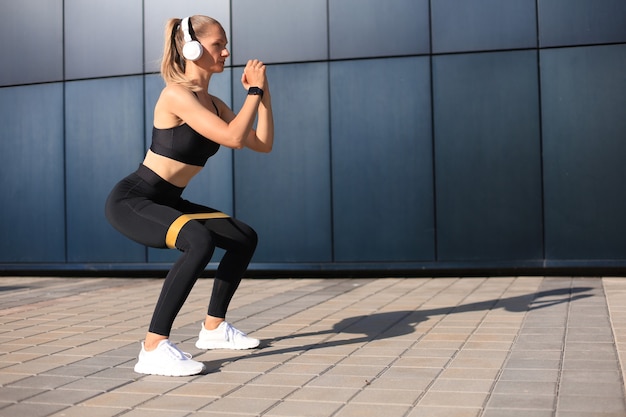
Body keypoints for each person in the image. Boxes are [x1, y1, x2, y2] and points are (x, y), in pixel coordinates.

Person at [105, 15, 273, 377]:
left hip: (169, 201)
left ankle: (213, 329)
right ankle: (153, 347)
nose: (226, 52)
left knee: (244, 237)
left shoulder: (213, 103)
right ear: (193, 49)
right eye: (218, 45)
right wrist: (253, 94)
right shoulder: (175, 95)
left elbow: (261, 143)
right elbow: (232, 138)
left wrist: (264, 97)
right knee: (198, 240)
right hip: (134, 200)